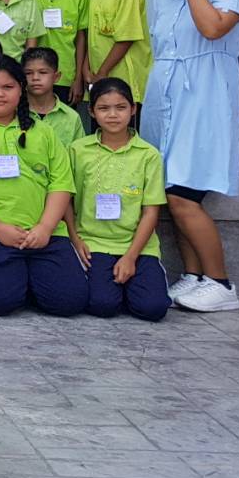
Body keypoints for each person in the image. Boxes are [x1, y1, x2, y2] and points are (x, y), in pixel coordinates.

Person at [144, 0, 239, 312]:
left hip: (204, 101)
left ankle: (221, 283)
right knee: (169, 189)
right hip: (166, 99)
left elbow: (212, 29)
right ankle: (194, 275)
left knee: (184, 193)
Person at [0, 55, 87, 317]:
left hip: (44, 234)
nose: (0, 94)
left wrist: (45, 228)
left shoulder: (43, 132)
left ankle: (28, 278)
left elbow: (61, 183)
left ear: (21, 89)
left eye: (8, 87)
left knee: (69, 302)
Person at [69, 79, 169, 321]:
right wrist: (75, 239)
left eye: (121, 107)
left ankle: (134, 287)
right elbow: (66, 201)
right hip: (93, 243)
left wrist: (131, 257)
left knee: (153, 308)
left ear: (133, 109)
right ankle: (115, 290)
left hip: (138, 246)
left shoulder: (148, 155)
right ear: (92, 111)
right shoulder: (78, 150)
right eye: (104, 108)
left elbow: (151, 212)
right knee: (102, 305)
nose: (113, 115)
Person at [85, 0, 152, 110]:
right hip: (99, 76)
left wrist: (103, 72)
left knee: (123, 122)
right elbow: (92, 35)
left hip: (124, 76)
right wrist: (87, 69)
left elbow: (126, 38)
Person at [21, 48, 86, 150]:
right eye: (28, 73)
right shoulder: (12, 113)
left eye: (43, 72)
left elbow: (78, 154)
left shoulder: (71, 117)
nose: (35, 78)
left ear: (56, 77)